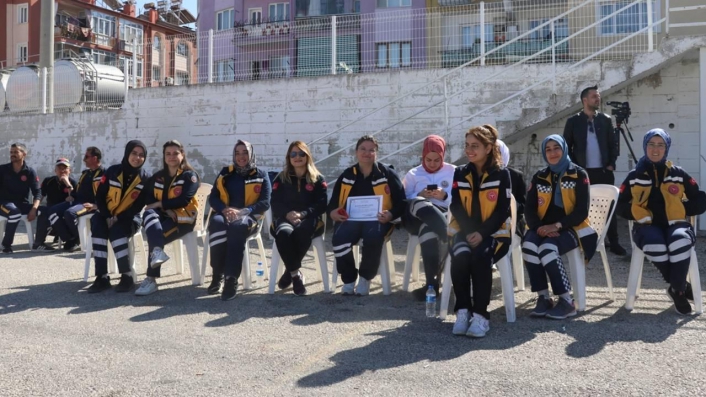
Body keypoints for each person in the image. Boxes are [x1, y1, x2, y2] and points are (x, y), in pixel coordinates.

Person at [617, 129, 706, 315]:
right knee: (655, 243)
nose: (655, 149)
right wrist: (636, 212)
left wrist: (683, 209)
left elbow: (700, 200)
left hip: (677, 225)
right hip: (647, 227)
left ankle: (676, 289)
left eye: (660, 145)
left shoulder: (678, 174)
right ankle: (680, 288)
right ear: (645, 146)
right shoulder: (634, 176)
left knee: (680, 240)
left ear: (666, 148)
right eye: (651, 144)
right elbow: (619, 204)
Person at [522, 135, 597, 320]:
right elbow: (529, 208)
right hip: (543, 228)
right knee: (529, 247)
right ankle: (543, 297)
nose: (553, 152)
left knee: (547, 249)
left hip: (573, 228)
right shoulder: (539, 176)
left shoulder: (579, 174)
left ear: (564, 149)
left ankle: (566, 301)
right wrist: (539, 227)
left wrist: (557, 225)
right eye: (548, 149)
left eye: (557, 148)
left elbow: (581, 211)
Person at [449, 126, 511, 338]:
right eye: (467, 145)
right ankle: (463, 311)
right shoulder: (460, 172)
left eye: (475, 146)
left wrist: (482, 233)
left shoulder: (502, 174)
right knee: (460, 255)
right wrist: (468, 231)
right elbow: (455, 205)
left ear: (488, 148)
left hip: (493, 234)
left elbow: (503, 210)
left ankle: (481, 315)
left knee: (481, 257)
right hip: (465, 231)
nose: (469, 150)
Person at [328, 135, 406, 296]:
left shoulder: (387, 174)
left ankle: (365, 278)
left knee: (373, 237)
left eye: (371, 150)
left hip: (379, 220)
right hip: (351, 220)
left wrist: (390, 214)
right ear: (356, 152)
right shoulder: (347, 175)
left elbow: (402, 202)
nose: (367, 153)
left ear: (376, 153)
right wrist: (333, 213)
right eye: (363, 149)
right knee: (339, 238)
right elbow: (333, 204)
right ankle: (349, 278)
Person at [563, 85, 626, 256]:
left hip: (603, 172)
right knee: (582, 207)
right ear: (585, 100)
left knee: (609, 206)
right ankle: (585, 241)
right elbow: (566, 147)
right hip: (582, 173)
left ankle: (614, 242)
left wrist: (611, 163)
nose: (597, 99)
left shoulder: (605, 120)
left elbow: (613, 144)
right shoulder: (573, 122)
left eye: (598, 96)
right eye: (594, 97)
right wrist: (574, 169)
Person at [207, 140, 271, 301]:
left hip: (249, 217)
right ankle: (217, 274)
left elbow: (265, 202)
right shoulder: (226, 173)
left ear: (251, 154)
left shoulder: (261, 175)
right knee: (217, 224)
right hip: (226, 213)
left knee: (237, 228)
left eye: (245, 152)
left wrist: (245, 211)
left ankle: (231, 279)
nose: (241, 156)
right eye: (238, 153)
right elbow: (213, 197)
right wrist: (224, 209)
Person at [135, 140, 201, 296]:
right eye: (168, 154)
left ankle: (151, 279)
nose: (171, 157)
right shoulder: (158, 176)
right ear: (164, 157)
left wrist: (162, 205)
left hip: (183, 219)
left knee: (155, 235)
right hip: (164, 216)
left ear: (182, 154)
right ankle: (157, 254)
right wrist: (164, 209)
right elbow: (148, 199)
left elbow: (184, 199)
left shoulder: (190, 176)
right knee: (149, 214)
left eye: (175, 153)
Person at [86, 141, 150, 294]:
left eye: (141, 155)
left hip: (130, 217)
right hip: (106, 214)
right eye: (134, 153)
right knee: (98, 227)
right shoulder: (112, 172)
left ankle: (127, 276)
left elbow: (138, 206)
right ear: (127, 153)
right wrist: (108, 216)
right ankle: (102, 277)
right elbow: (100, 197)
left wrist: (118, 218)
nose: (137, 158)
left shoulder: (145, 178)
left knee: (117, 232)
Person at [271, 141, 327, 296]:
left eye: (301, 153)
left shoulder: (318, 179)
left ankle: (289, 272)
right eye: (293, 154)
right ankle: (296, 276)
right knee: (283, 233)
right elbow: (275, 202)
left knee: (302, 231)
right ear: (289, 157)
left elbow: (321, 204)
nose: (297, 157)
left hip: (309, 219)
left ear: (307, 156)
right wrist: (287, 214)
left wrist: (303, 214)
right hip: (285, 218)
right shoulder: (281, 178)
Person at [402, 135, 455, 300]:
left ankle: (431, 285)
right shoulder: (413, 174)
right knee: (419, 202)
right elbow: (404, 199)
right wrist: (420, 194)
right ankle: (447, 235)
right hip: (418, 214)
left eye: (436, 160)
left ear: (443, 156)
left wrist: (444, 195)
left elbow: (460, 200)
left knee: (428, 232)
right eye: (428, 160)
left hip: (443, 213)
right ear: (423, 156)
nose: (432, 164)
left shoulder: (453, 171)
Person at [47, 147, 105, 252]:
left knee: (70, 213)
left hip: (89, 204)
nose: (84, 159)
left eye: (86, 157)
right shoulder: (85, 173)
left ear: (95, 158)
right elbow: (78, 189)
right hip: (77, 201)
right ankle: (71, 238)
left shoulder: (104, 174)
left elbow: (107, 193)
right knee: (52, 211)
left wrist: (98, 205)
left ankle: (77, 239)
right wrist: (72, 195)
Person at [0, 143, 41, 254]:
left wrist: (34, 208)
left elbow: (37, 192)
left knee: (45, 211)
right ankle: (6, 245)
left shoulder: (30, 172)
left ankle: (39, 243)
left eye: (16, 152)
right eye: (11, 152)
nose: (12, 154)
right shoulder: (2, 170)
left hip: (22, 204)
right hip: (3, 204)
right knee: (14, 213)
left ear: (24, 154)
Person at [32, 158, 78, 251]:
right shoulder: (49, 181)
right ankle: (38, 243)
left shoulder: (73, 182)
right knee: (43, 211)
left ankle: (70, 239)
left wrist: (67, 182)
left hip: (64, 215)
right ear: (55, 170)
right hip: (50, 212)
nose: (62, 171)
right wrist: (34, 208)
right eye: (59, 168)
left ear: (70, 170)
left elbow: (73, 198)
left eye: (65, 168)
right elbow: (40, 195)